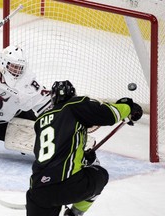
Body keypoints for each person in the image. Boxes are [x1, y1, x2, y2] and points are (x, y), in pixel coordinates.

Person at [26, 80, 143, 216]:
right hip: (69, 185)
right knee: (100, 174)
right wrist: (127, 107)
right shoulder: (74, 105)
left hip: (38, 191)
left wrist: (82, 159)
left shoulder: (40, 120)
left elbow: (54, 153)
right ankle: (74, 214)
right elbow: (109, 114)